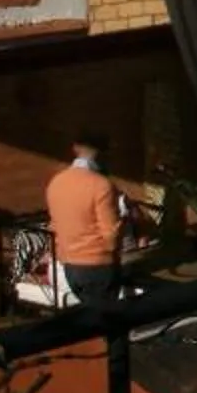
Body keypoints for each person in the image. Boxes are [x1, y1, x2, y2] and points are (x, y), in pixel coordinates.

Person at [45, 130, 133, 305]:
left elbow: (55, 224)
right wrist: (123, 221)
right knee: (107, 322)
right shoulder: (101, 185)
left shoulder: (56, 182)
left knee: (89, 319)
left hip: (69, 265)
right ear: (102, 153)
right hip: (97, 264)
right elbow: (110, 234)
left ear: (75, 149)